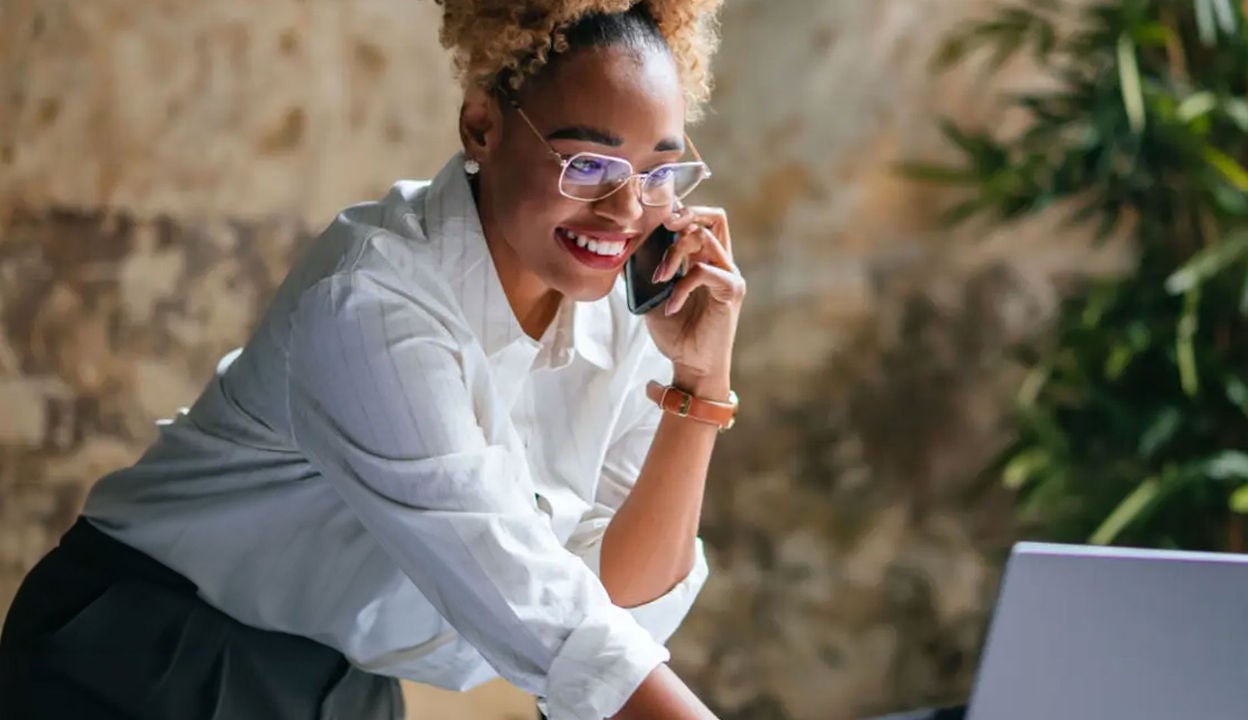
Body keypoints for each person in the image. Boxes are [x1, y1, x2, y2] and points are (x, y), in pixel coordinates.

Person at [0, 1, 743, 718]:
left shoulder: (622, 314)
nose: (625, 212)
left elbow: (617, 607)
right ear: (481, 124)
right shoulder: (369, 304)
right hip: (148, 657)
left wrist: (699, 385)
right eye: (587, 166)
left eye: (658, 175)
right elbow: (555, 627)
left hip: (340, 677)